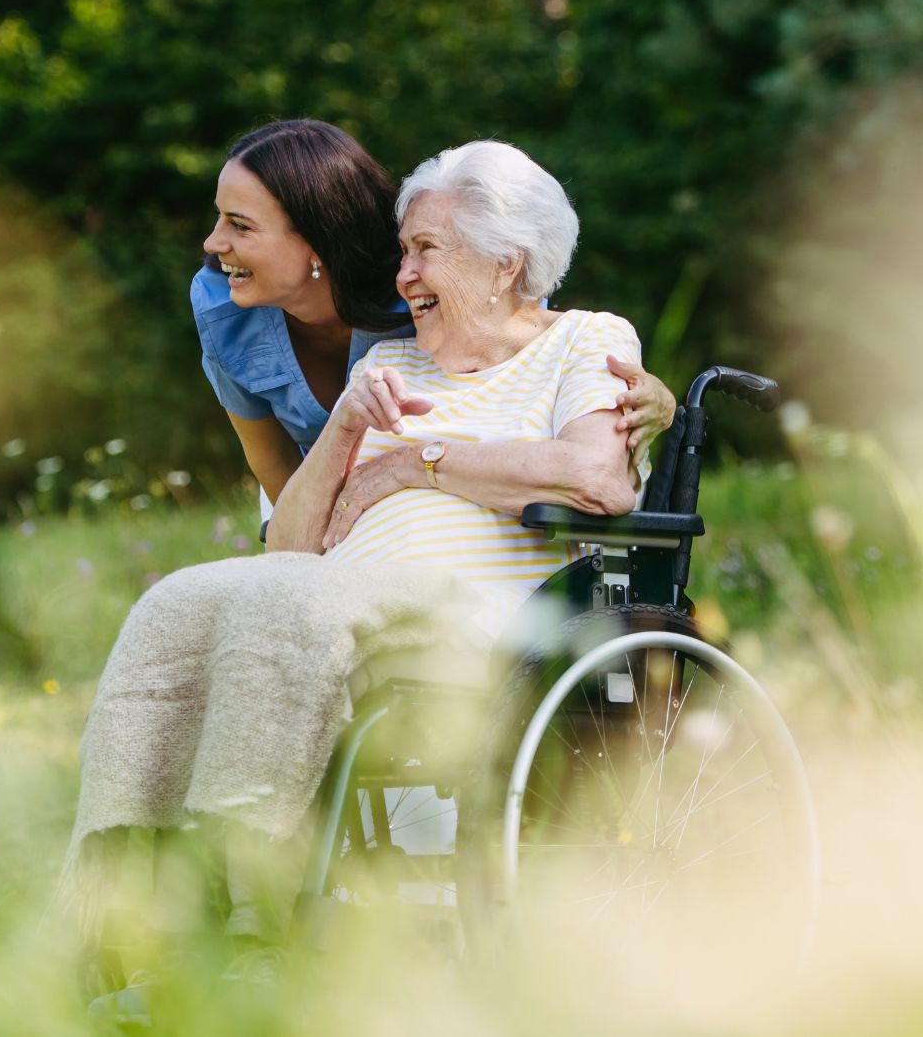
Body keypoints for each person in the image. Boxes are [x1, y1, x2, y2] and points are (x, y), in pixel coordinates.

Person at [70, 140, 666, 1000]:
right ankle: (126, 902)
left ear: (505, 265)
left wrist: (418, 460)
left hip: (476, 613)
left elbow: (596, 476)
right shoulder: (389, 362)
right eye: (403, 249)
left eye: (426, 249)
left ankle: (252, 914)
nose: (403, 273)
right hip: (343, 594)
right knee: (178, 602)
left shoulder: (586, 342)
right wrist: (349, 430)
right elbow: (290, 551)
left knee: (296, 613)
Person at [191, 119, 673, 509]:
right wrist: (320, 549)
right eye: (220, 217)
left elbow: (529, 342)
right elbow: (271, 461)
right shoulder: (221, 305)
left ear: (316, 239)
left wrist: (650, 400)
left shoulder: (419, 285)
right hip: (319, 496)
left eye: (240, 225)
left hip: (443, 498)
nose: (213, 243)